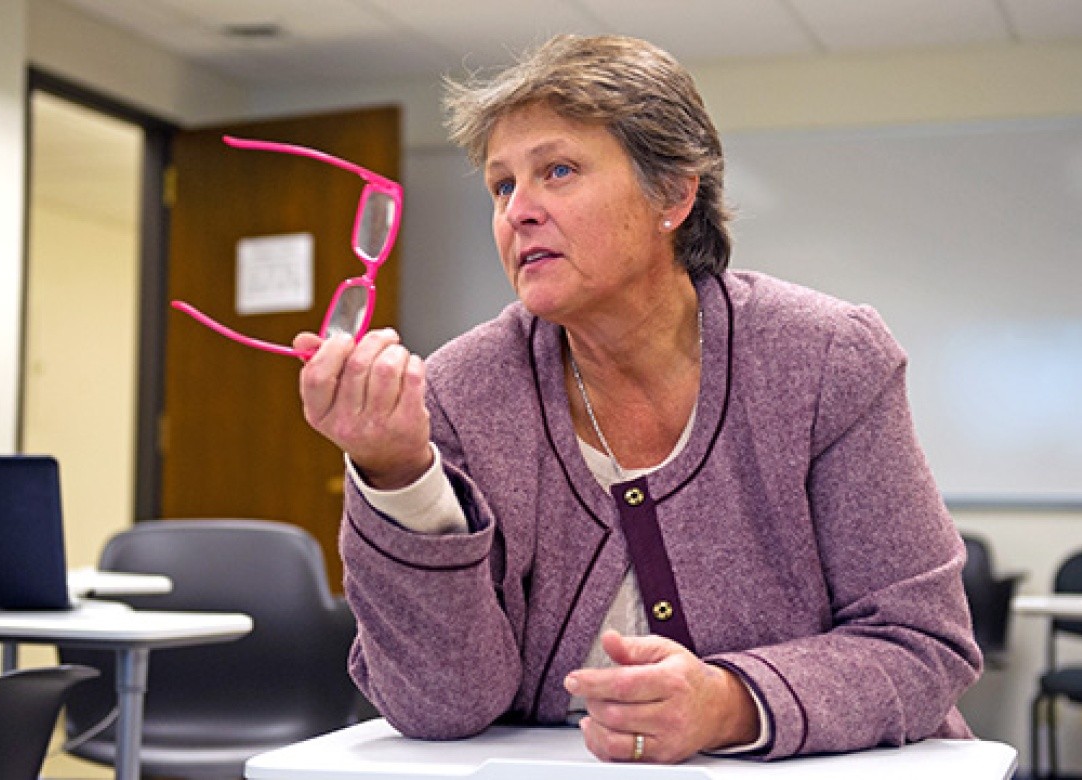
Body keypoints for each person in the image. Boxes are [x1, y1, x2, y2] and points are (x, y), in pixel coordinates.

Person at [292, 34, 982, 764]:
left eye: (557, 171)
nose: (517, 211)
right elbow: (439, 705)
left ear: (674, 194)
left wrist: (730, 703)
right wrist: (400, 476)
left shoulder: (827, 357)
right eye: (502, 186)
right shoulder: (462, 388)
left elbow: (922, 643)